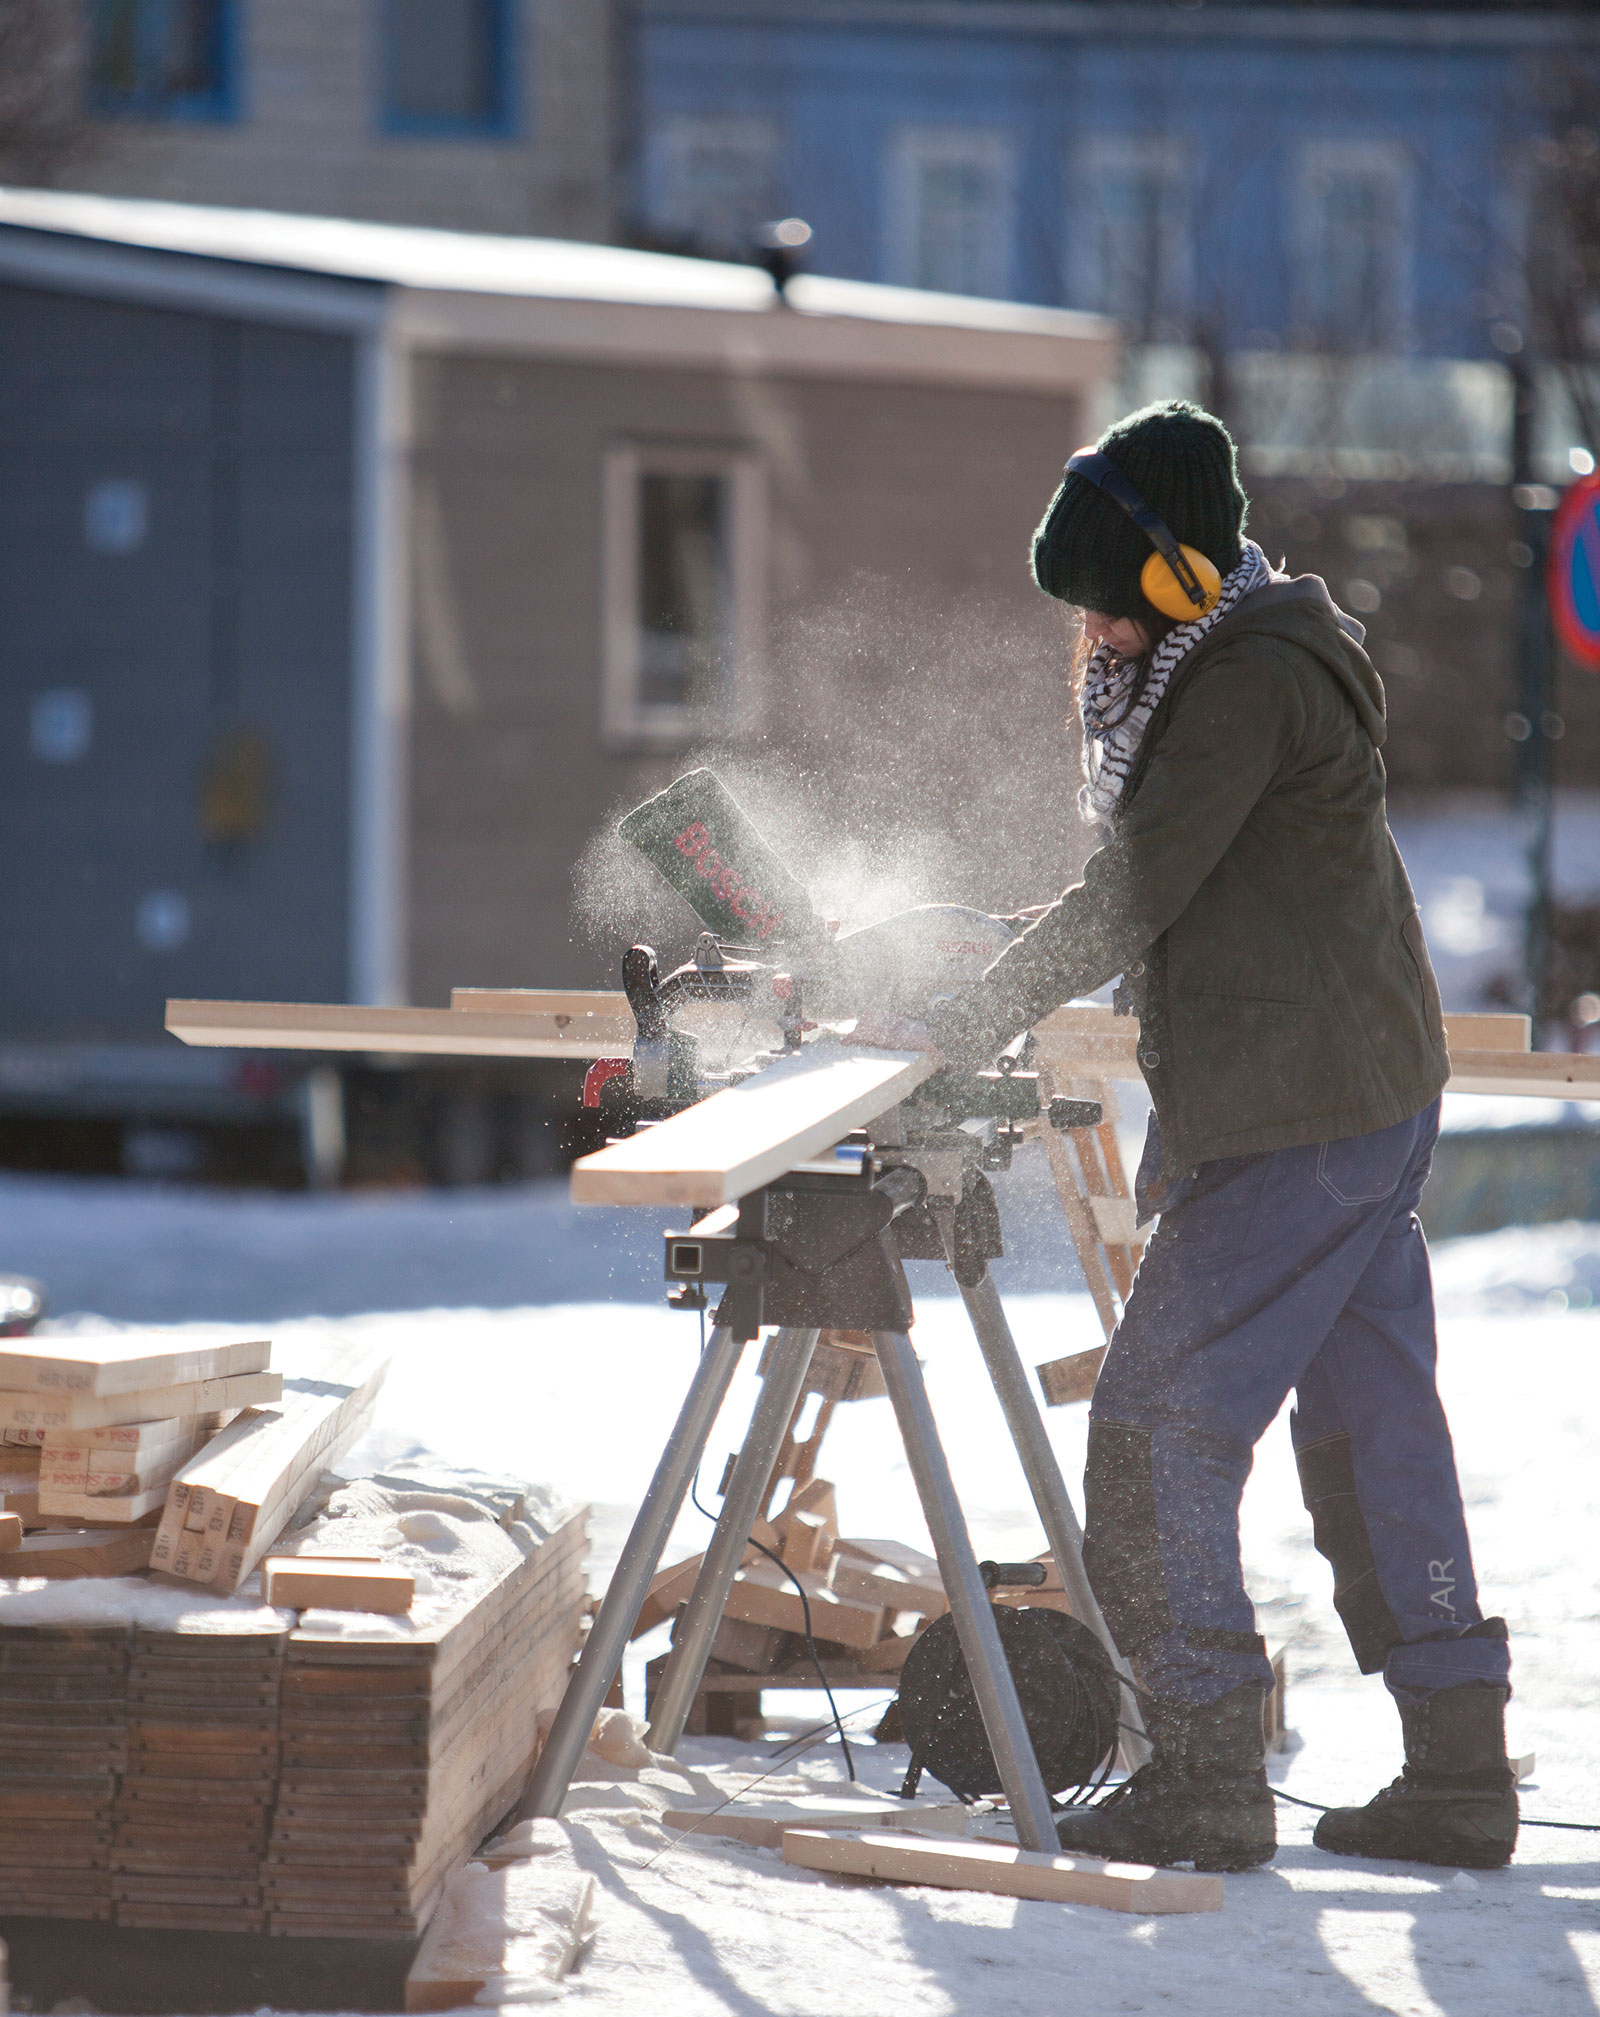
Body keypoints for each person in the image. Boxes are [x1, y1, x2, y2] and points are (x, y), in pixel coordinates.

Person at [851, 400, 1518, 1874]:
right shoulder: (1239, 659)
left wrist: (961, 1022)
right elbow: (1150, 882)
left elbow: (1136, 885)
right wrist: (984, 966)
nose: (1085, 630)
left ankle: (1209, 1768)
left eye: (1100, 597)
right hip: (1351, 1091)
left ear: (1170, 576)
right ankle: (1460, 1764)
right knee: (1371, 1430)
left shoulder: (1241, 684)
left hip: (1305, 1112)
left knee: (1156, 1422)